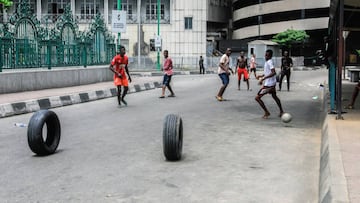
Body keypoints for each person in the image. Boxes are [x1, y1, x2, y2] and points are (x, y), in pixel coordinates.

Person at [255, 49, 284, 119]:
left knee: (257, 98)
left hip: (269, 85)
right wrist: (261, 76)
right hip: (271, 84)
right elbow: (268, 72)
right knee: (275, 96)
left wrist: (263, 79)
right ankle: (281, 111)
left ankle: (267, 112)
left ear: (270, 56)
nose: (265, 56)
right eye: (265, 55)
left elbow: (273, 72)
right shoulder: (267, 62)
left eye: (267, 55)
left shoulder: (269, 62)